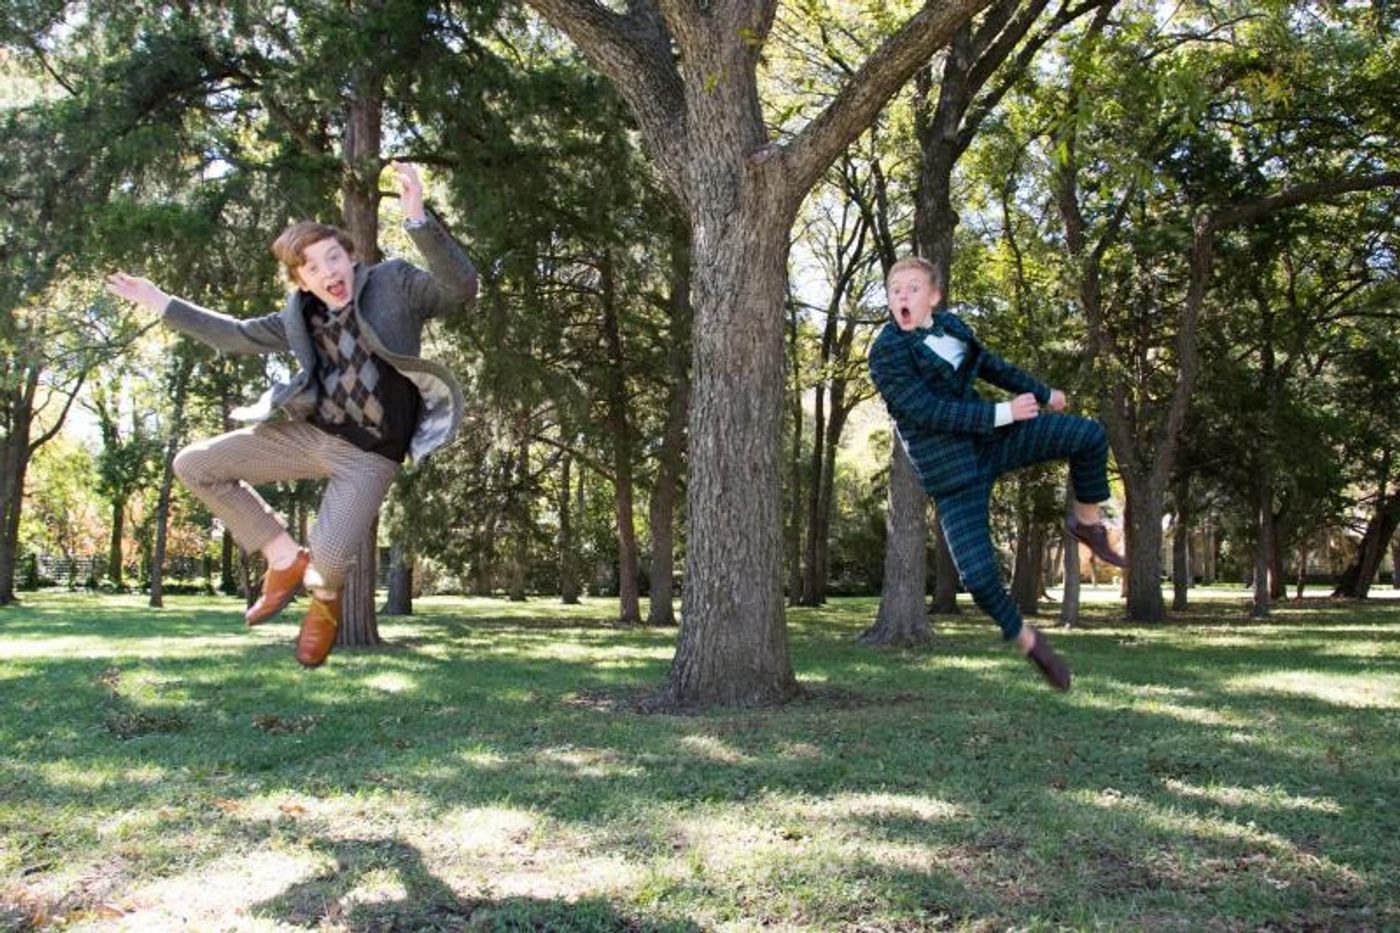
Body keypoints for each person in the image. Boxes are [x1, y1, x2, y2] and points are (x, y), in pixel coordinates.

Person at [106, 162, 476, 667]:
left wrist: (417, 218)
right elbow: (234, 335)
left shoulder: (394, 282)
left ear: (351, 256)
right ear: (300, 279)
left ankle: (321, 609)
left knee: (328, 561)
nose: (328, 271)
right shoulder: (297, 315)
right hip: (308, 434)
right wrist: (160, 301)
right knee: (194, 464)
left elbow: (459, 290)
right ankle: (282, 557)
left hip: (370, 454)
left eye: (334, 257)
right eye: (313, 266)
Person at [868, 256, 1125, 691]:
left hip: (992, 441)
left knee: (1088, 436)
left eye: (913, 288)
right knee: (980, 578)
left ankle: (1087, 524)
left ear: (934, 296)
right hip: (953, 472)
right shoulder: (886, 353)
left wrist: (1043, 392)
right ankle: (1030, 644)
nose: (902, 297)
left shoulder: (953, 327)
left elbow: (989, 364)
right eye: (895, 291)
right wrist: (1003, 412)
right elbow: (928, 412)